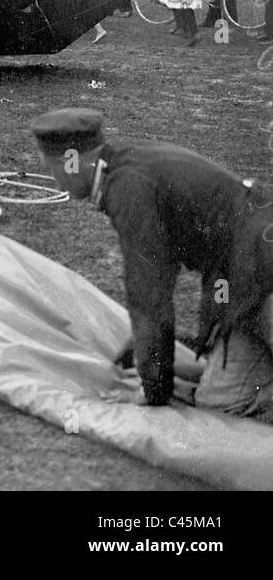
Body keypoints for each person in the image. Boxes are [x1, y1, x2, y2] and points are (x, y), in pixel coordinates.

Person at [28, 108, 273, 420]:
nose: (56, 183)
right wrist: (142, 355)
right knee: (217, 371)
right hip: (245, 267)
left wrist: (152, 388)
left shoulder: (127, 189)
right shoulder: (126, 162)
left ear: (73, 161)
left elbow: (149, 291)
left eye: (53, 171)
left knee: (220, 403)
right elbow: (162, 268)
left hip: (258, 272)